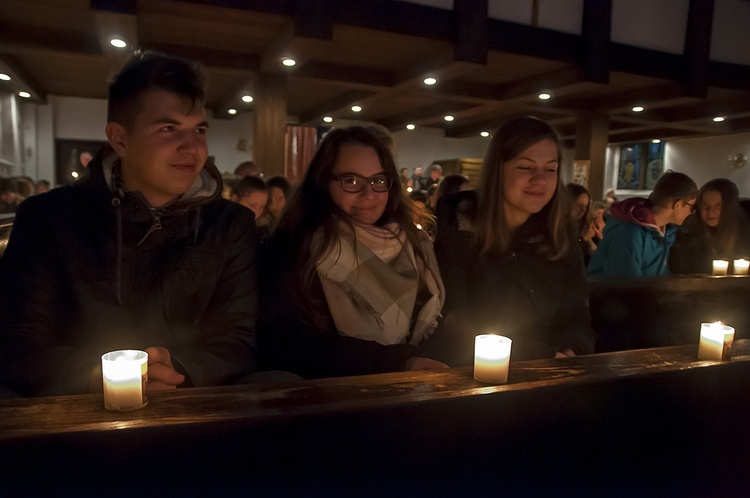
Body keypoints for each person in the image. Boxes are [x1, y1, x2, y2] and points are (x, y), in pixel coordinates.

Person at [0, 51, 258, 397]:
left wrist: (178, 370)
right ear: (119, 139)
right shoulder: (50, 218)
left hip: (190, 400)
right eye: (169, 128)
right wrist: (94, 375)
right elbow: (17, 340)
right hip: (78, 407)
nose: (193, 147)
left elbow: (237, 338)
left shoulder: (229, 223)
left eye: (199, 130)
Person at [258, 126, 447, 378]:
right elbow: (285, 341)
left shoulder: (415, 244)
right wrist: (395, 362)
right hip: (332, 398)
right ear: (323, 182)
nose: (368, 194)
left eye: (378, 180)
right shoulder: (295, 246)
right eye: (352, 180)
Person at [429, 116, 594, 365]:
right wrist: (540, 356)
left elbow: (576, 313)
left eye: (551, 169)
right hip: (472, 375)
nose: (541, 180)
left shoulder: (560, 229)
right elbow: (452, 317)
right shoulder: (458, 225)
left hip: (551, 376)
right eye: (526, 167)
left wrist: (570, 352)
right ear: (498, 169)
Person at [587, 171, 697, 277]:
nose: (691, 212)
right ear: (677, 205)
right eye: (691, 206)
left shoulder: (664, 232)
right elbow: (625, 284)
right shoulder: (629, 233)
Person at [670, 178, 750, 274]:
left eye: (718, 205)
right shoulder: (687, 235)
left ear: (730, 208)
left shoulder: (745, 235)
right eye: (705, 205)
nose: (710, 211)